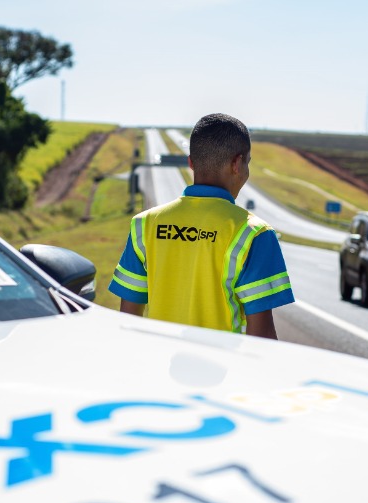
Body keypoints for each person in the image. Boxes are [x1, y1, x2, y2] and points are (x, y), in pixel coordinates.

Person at [108, 113, 294, 339]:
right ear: (237, 163)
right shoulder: (255, 233)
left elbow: (128, 321)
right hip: (225, 370)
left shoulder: (144, 224)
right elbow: (262, 336)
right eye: (248, 162)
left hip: (159, 367)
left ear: (190, 163)